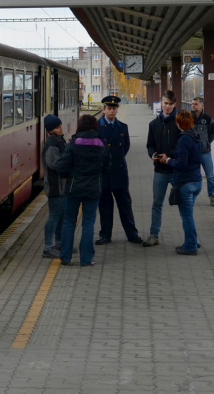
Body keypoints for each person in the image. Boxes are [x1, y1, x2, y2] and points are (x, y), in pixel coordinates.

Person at [56, 114, 110, 267]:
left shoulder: (73, 143)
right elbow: (107, 166)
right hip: (93, 189)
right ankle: (86, 259)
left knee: (69, 222)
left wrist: (67, 176)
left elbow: (62, 166)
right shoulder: (101, 144)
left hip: (74, 188)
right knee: (88, 223)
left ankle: (65, 257)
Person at [96, 95, 143, 245]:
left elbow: (125, 147)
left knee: (125, 205)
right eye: (109, 108)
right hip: (103, 173)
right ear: (103, 110)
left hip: (119, 171)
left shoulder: (123, 127)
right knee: (105, 207)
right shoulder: (96, 128)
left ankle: (132, 234)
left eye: (114, 108)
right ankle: (105, 235)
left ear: (117, 110)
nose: (112, 111)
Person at [158, 111, 203, 255]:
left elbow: (182, 164)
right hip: (197, 181)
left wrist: (168, 161)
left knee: (186, 216)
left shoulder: (184, 139)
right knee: (188, 215)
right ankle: (192, 241)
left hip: (185, 183)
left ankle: (190, 246)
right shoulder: (196, 137)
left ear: (179, 123)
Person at [143, 90, 179, 246]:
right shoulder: (153, 124)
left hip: (176, 170)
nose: (168, 107)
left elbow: (183, 145)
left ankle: (191, 237)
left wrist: (169, 156)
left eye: (171, 104)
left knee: (184, 203)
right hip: (160, 170)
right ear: (161, 103)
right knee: (157, 203)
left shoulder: (180, 123)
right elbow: (149, 145)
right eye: (165, 103)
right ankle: (153, 234)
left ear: (175, 105)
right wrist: (152, 154)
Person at [41, 114, 66, 259]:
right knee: (54, 216)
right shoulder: (51, 144)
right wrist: (68, 165)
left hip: (61, 186)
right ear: (51, 130)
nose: (61, 128)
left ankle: (59, 243)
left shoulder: (59, 141)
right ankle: (48, 247)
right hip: (55, 186)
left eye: (60, 125)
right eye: (57, 127)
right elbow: (53, 164)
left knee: (60, 216)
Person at [191, 96, 214, 206]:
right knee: (193, 174)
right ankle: (191, 195)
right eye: (192, 104)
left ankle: (213, 195)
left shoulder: (208, 119)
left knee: (210, 175)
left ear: (202, 106)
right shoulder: (187, 117)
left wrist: (206, 143)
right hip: (192, 152)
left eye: (196, 104)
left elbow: (212, 134)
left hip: (205, 152)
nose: (193, 105)